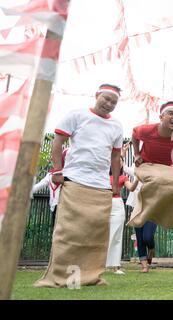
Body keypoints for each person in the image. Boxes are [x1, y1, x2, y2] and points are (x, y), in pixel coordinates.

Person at [34, 84, 123, 288]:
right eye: (106, 99)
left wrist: (115, 186)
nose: (109, 104)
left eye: (114, 102)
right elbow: (58, 141)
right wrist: (57, 170)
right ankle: (59, 276)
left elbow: (116, 156)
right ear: (97, 95)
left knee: (96, 234)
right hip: (74, 179)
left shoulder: (116, 125)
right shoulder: (77, 115)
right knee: (69, 231)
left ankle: (91, 276)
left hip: (101, 185)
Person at [127, 101, 173, 231]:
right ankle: (140, 212)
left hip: (166, 167)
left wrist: (172, 161)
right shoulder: (147, 130)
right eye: (170, 113)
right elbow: (134, 134)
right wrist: (137, 154)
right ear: (161, 117)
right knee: (157, 180)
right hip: (146, 164)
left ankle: (167, 218)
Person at [122, 143, 157, 273]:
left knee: (147, 237)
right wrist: (123, 152)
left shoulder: (155, 170)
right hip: (136, 207)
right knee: (139, 237)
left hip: (151, 207)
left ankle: (152, 248)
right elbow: (123, 167)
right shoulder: (135, 170)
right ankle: (144, 265)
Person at [106, 155, 138, 275]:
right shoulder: (103, 175)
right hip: (104, 204)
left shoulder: (123, 177)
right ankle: (100, 264)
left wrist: (138, 178)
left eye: (121, 161)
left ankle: (116, 266)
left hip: (118, 205)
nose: (119, 162)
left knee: (117, 235)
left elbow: (132, 188)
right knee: (103, 235)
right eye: (117, 160)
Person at [32, 148, 68, 229]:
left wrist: (27, 192)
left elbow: (39, 186)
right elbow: (39, 186)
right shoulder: (67, 175)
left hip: (58, 207)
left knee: (57, 231)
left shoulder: (50, 175)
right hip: (61, 208)